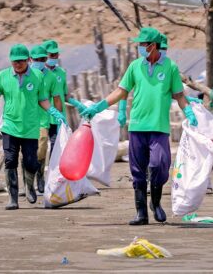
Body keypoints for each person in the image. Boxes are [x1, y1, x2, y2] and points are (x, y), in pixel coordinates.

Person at [82, 27, 198, 225]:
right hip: (137, 126)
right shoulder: (135, 66)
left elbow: (179, 95)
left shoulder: (170, 67)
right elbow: (120, 92)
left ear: (153, 46)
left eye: (143, 44)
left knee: (159, 165)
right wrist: (99, 106)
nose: (140, 47)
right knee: (138, 171)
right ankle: (141, 214)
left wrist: (188, 111)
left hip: (159, 127)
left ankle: (156, 202)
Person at [0, 44, 66, 210]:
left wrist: (54, 112)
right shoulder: (3, 76)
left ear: (28, 60)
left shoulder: (37, 76)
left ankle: (29, 186)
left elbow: (42, 99)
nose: (18, 64)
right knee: (10, 160)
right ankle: (12, 198)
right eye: (15, 61)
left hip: (30, 127)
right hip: (10, 126)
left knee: (31, 162)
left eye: (21, 61)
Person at [42, 39, 87, 154]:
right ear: (44, 55)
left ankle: (53, 171)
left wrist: (78, 104)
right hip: (42, 116)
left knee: (56, 146)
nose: (54, 57)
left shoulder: (61, 72)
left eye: (56, 54)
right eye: (51, 54)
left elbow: (65, 95)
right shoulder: (39, 73)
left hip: (58, 116)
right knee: (39, 147)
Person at [29, 45, 63, 193]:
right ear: (31, 59)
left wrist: (59, 116)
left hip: (42, 118)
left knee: (42, 148)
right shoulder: (26, 74)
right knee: (26, 152)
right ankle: (28, 183)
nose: (40, 62)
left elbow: (56, 98)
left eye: (42, 59)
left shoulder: (51, 76)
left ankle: (40, 175)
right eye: (37, 59)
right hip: (25, 119)